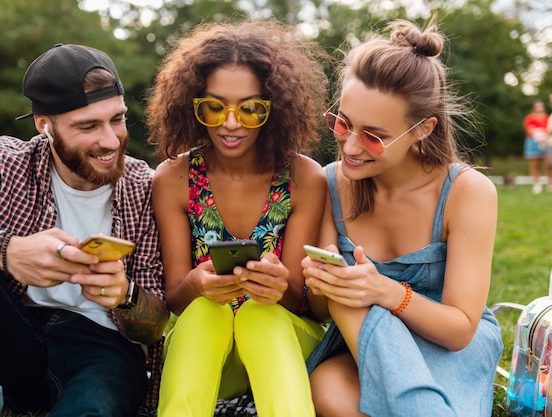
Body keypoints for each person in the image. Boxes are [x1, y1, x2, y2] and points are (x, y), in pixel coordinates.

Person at [0, 44, 169, 417]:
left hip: (100, 349)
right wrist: (4, 251)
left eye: (116, 119)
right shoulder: (8, 164)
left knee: (95, 399)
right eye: (88, 126)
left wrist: (124, 294)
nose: (110, 140)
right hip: (9, 333)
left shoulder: (146, 188)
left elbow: (154, 327)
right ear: (45, 126)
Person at [302, 20, 503, 417]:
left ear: (423, 130)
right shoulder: (329, 182)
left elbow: (460, 329)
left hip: (445, 347)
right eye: (342, 123)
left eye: (374, 135)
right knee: (328, 392)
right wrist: (323, 283)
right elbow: (324, 311)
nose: (351, 145)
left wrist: (387, 292)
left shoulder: (467, 192)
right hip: (362, 346)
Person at [146, 20, 329, 417]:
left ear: (274, 109)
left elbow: (306, 305)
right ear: (193, 106)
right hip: (212, 353)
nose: (230, 123)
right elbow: (176, 297)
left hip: (284, 347)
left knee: (259, 316)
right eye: (214, 106)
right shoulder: (174, 179)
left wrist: (279, 288)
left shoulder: (305, 179)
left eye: (250, 109)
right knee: (203, 313)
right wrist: (195, 284)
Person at [523, 100, 550, 193]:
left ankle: (550, 184)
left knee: (548, 164)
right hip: (533, 142)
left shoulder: (547, 117)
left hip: (546, 141)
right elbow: (530, 130)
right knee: (535, 164)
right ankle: (536, 184)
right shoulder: (529, 118)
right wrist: (538, 135)